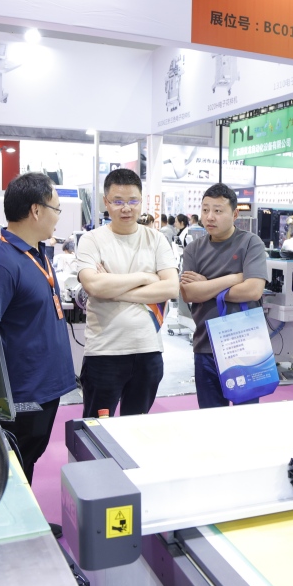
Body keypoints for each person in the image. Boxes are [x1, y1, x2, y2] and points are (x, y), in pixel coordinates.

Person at [0, 173, 75, 484]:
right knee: (15, 464)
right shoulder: (1, 264)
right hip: (22, 393)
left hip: (45, 386)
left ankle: (25, 513)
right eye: (56, 209)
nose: (58, 216)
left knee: (29, 458)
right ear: (36, 210)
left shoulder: (36, 252)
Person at [76, 169, 179, 417]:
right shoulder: (91, 240)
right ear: (106, 202)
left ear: (141, 201)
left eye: (133, 201)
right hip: (104, 352)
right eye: (118, 201)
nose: (126, 208)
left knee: (136, 427)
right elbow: (94, 286)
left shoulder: (156, 239)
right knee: (96, 427)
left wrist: (114, 289)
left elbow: (170, 288)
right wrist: (145, 278)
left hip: (148, 350)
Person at [180, 183, 268, 409]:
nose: (210, 217)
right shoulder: (193, 249)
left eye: (218, 210)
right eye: (205, 210)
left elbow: (252, 290)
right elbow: (189, 293)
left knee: (246, 418)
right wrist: (233, 278)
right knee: (211, 418)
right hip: (206, 346)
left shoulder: (250, 243)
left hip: (245, 347)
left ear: (235, 214)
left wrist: (206, 286)